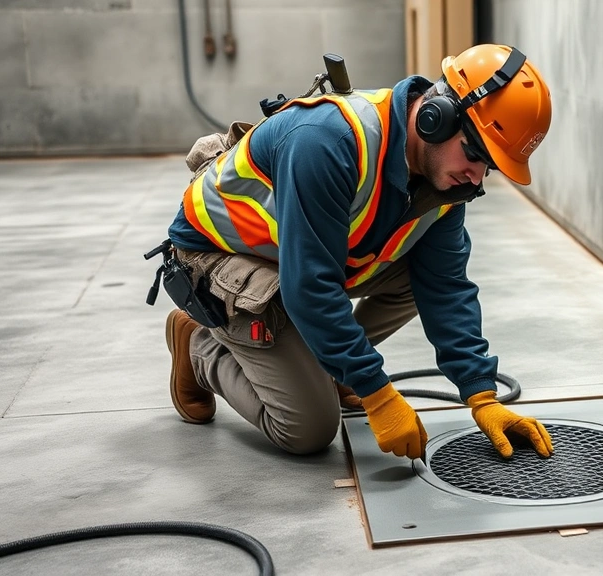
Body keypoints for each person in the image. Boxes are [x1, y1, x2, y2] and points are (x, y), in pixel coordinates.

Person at [160, 44, 553, 461]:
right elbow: (311, 288)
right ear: (437, 116)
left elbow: (445, 285)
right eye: (475, 152)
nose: (475, 176)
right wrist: (376, 390)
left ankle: (328, 363)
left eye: (488, 166)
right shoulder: (329, 141)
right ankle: (200, 346)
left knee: (416, 276)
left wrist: (481, 395)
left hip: (296, 259)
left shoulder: (448, 182)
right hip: (221, 257)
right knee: (308, 430)